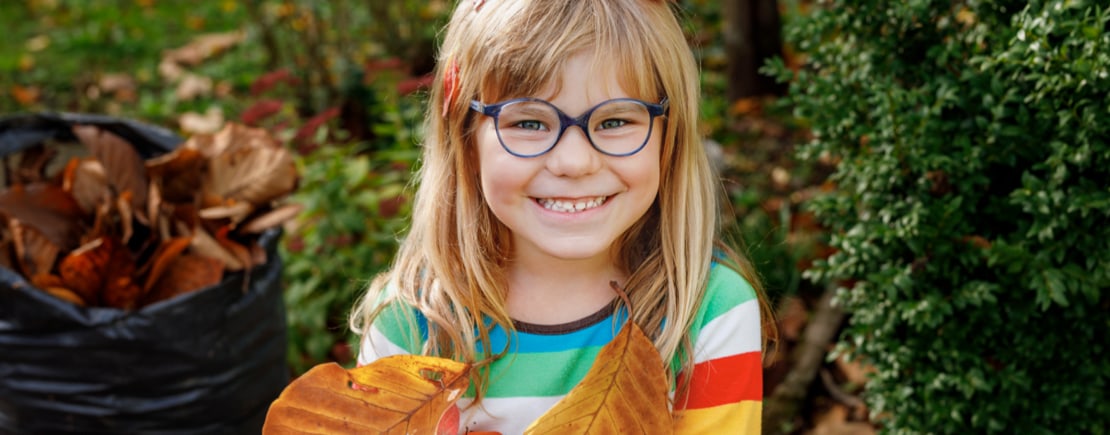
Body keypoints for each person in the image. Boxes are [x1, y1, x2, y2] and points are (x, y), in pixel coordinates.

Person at [350, 0, 776, 433]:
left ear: (671, 137)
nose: (574, 162)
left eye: (614, 121)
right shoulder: (413, 327)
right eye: (530, 123)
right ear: (465, 139)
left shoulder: (707, 312)